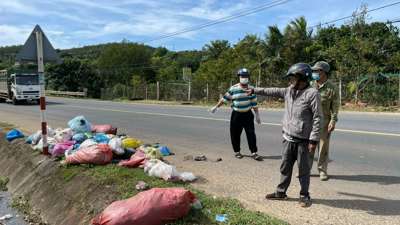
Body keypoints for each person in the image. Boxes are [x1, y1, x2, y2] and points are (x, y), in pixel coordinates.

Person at [247, 63, 322, 207]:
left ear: (302, 78)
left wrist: (314, 139)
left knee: (303, 170)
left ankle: (304, 195)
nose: (290, 81)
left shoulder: (312, 93)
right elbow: (272, 91)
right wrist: (254, 90)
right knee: (285, 167)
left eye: (292, 78)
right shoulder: (289, 91)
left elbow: (318, 117)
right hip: (288, 138)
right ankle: (280, 192)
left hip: (304, 141)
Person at [210, 68, 262, 161]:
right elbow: (224, 99)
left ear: (248, 77)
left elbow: (254, 103)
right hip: (236, 115)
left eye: (246, 76)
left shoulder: (251, 89)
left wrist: (257, 115)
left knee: (251, 134)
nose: (244, 78)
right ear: (239, 77)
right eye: (242, 76)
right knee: (235, 134)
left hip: (248, 114)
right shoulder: (233, 88)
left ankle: (254, 152)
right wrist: (216, 107)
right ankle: (237, 152)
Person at [310, 61, 339, 181]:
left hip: (324, 121)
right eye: (314, 71)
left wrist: (333, 121)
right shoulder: (310, 84)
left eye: (318, 71)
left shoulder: (332, 87)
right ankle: (305, 169)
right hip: (310, 120)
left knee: (323, 147)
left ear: (324, 72)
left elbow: (335, 106)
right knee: (309, 147)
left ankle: (322, 170)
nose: (315, 73)